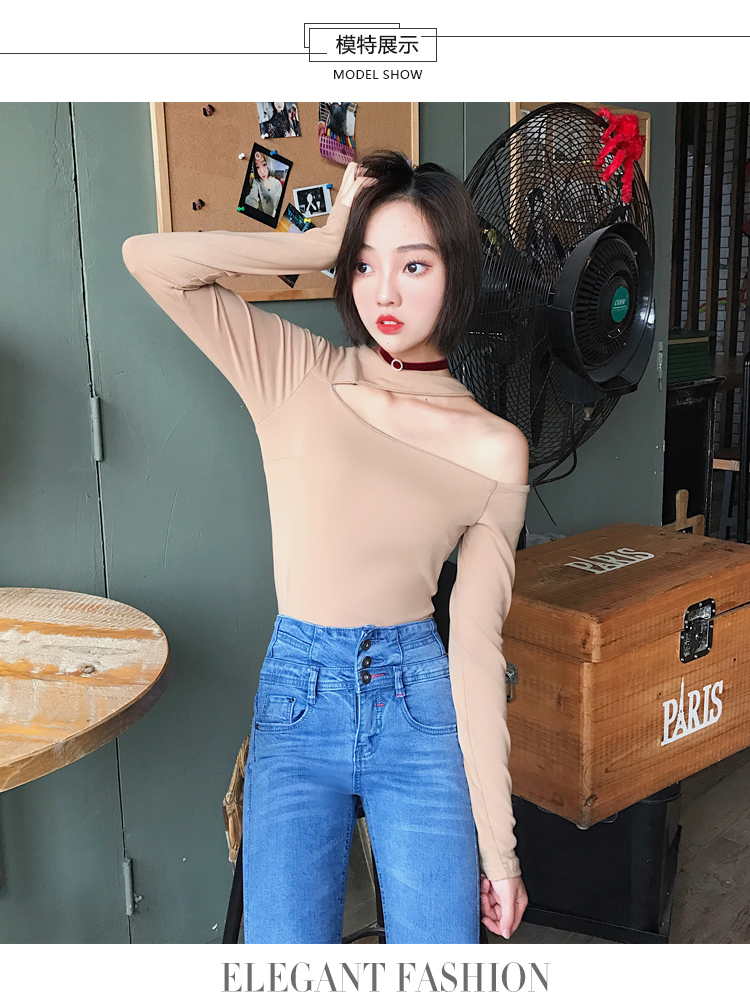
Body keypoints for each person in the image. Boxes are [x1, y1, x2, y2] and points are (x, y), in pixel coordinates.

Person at [121, 151, 530, 945]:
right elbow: (149, 259)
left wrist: (500, 851)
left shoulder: (495, 449)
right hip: (298, 699)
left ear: (457, 273)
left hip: (419, 705)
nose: (384, 292)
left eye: (414, 265)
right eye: (365, 263)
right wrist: (318, 240)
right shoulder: (295, 371)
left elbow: (477, 653)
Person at [245, 151, 283, 218]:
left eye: (264, 164)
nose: (262, 171)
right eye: (257, 167)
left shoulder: (277, 183)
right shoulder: (257, 182)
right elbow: (252, 198)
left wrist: (271, 189)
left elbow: (278, 206)